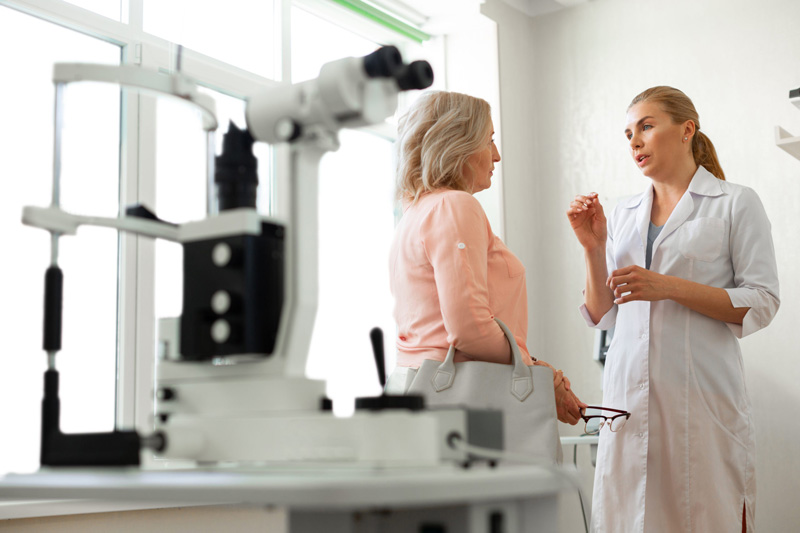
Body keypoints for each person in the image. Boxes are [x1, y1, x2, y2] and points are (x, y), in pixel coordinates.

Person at [567, 86, 779, 533]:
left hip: (701, 402)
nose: (634, 142)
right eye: (628, 133)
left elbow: (762, 301)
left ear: (686, 130)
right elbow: (605, 314)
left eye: (646, 126)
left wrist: (668, 287)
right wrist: (593, 247)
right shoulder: (623, 213)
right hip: (629, 400)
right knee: (630, 518)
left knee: (707, 515)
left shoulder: (736, 203)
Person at [385, 90, 585, 433]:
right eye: (488, 140)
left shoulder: (414, 213)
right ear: (457, 144)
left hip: (418, 391)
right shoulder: (454, 206)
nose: (496, 155)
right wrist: (537, 371)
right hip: (462, 401)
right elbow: (470, 329)